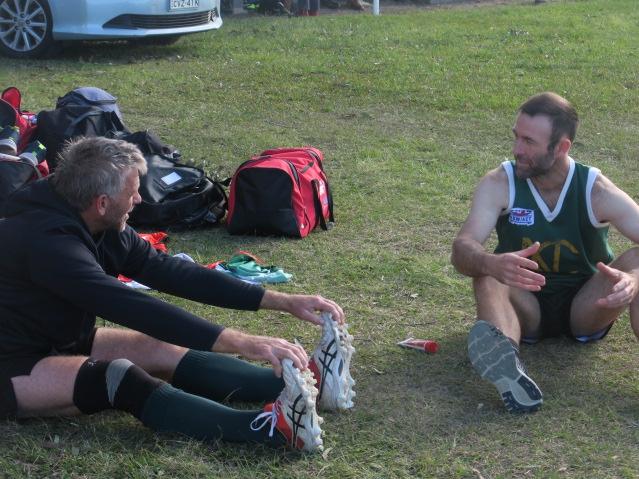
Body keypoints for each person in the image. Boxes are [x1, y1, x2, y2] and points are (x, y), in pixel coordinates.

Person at [0, 136, 355, 452]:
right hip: (12, 363)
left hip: (49, 336)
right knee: (118, 377)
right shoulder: (47, 242)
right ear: (102, 202)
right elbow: (130, 306)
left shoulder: (88, 214)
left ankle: (305, 383)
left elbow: (169, 271)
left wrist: (280, 301)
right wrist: (247, 343)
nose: (139, 199)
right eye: (133, 191)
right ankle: (271, 431)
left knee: (157, 348)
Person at [451, 92, 639, 413]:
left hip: (586, 306)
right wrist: (489, 261)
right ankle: (506, 366)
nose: (517, 150)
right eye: (516, 138)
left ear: (562, 147)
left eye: (529, 142)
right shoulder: (500, 182)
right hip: (527, 308)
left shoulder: (595, 189)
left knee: (637, 262)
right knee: (486, 272)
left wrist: (633, 280)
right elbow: (462, 248)